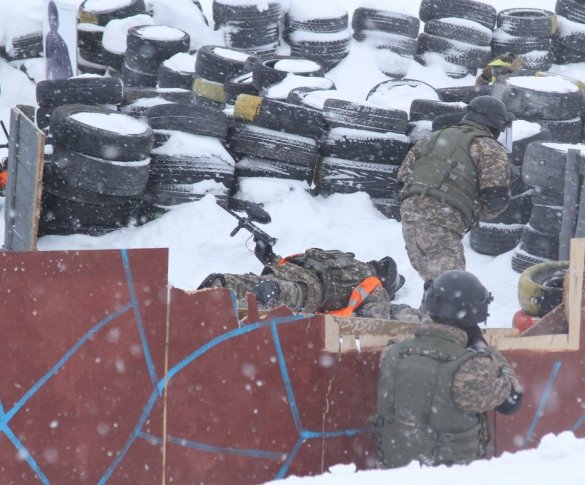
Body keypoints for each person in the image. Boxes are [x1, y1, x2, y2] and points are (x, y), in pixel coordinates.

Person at [373, 270, 523, 468]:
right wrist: (482, 345)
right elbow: (512, 401)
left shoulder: (392, 353)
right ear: (475, 313)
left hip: (393, 474)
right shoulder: (471, 368)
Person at [398, 95, 512, 282]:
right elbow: (495, 199)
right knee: (451, 286)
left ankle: (430, 308)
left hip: (410, 215)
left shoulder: (433, 137)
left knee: (435, 284)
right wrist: (469, 208)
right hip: (443, 216)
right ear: (496, 124)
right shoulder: (489, 147)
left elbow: (403, 177)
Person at [198, 248, 423, 321]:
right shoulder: (373, 283)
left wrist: (269, 257)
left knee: (257, 283)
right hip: (311, 290)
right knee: (287, 293)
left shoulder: (345, 259)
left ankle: (222, 284)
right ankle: (272, 294)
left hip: (290, 269)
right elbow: (377, 321)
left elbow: (306, 262)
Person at [45, 1, 73, 80]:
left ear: (58, 22)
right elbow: (48, 59)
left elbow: (67, 62)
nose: (53, 23)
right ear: (48, 22)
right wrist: (48, 77)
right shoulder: (49, 37)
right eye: (51, 21)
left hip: (65, 77)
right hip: (58, 78)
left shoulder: (60, 39)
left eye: (55, 21)